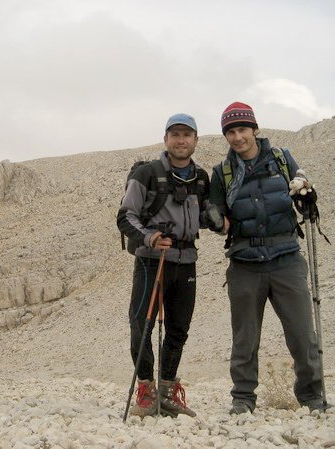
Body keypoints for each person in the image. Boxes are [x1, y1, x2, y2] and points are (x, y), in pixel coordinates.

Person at [207, 102, 327, 414]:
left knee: (302, 334)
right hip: (245, 262)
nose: (237, 137)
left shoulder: (282, 159)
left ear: (254, 129)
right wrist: (215, 218)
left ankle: (313, 396)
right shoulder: (223, 173)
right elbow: (216, 214)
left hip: (286, 257)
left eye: (242, 129)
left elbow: (300, 198)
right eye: (230, 131)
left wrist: (308, 198)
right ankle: (243, 399)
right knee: (245, 339)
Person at [117, 113, 210, 418]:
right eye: (175, 134)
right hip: (151, 261)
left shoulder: (201, 178)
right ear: (166, 139)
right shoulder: (147, 174)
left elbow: (207, 215)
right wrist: (149, 236)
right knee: (142, 326)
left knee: (178, 329)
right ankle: (146, 390)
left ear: (196, 140)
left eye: (187, 135)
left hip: (186, 261)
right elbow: (125, 215)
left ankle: (168, 391)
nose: (181, 140)